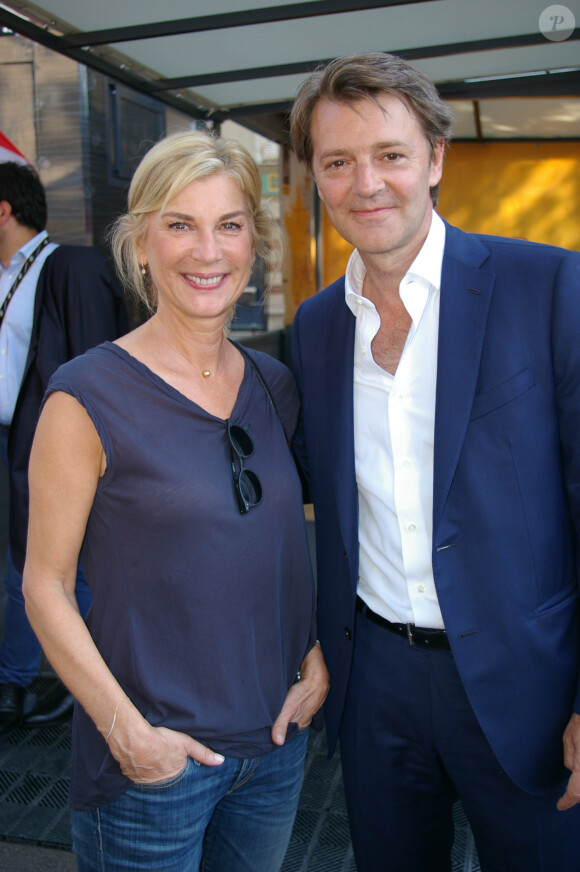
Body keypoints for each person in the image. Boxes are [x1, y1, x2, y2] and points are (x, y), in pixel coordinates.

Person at [289, 52, 580, 871]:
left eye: (390, 155)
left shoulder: (548, 287)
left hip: (529, 682)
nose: (366, 183)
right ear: (315, 177)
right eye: (338, 162)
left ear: (436, 159)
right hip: (375, 679)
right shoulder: (315, 328)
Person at [22, 129, 329, 872]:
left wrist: (312, 651)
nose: (207, 251)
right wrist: (125, 731)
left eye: (228, 225)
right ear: (141, 243)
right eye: (179, 225)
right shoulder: (86, 395)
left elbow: (270, 543)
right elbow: (45, 585)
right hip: (153, 765)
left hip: (276, 749)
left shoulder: (272, 384)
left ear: (253, 246)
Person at [0, 160, 128, 730]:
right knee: (20, 565)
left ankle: (84, 682)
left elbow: (101, 366)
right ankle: (18, 678)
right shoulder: (6, 276)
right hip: (10, 445)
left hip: (52, 447)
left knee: (62, 562)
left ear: (4, 211)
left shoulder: (68, 267)